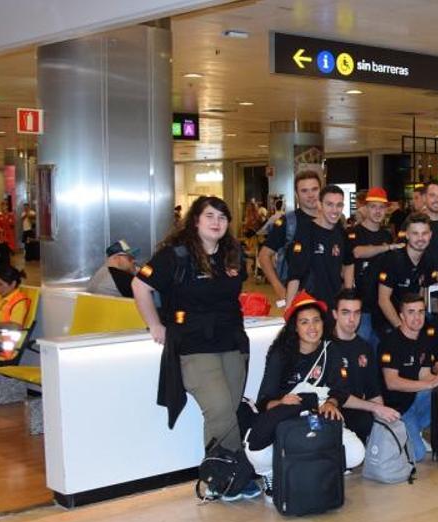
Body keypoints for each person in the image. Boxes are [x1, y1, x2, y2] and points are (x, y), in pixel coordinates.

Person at [131, 196, 252, 497]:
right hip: (195, 345)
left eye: (222, 217)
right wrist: (155, 325)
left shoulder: (233, 254)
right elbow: (140, 286)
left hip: (232, 341)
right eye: (209, 215)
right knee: (220, 408)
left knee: (226, 412)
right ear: (195, 220)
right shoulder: (176, 255)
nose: (216, 222)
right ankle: (237, 474)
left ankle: (218, 479)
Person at [245, 293, 366, 498]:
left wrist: (331, 403)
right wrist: (282, 402)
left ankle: (313, 470)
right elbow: (264, 400)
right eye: (304, 322)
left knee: (356, 454)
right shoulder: (280, 354)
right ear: (295, 327)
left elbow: (341, 389)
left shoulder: (331, 350)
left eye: (316, 320)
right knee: (254, 450)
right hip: (287, 417)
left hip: (317, 415)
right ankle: (271, 474)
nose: (312, 327)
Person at [379, 294, 438, 462]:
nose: (417, 317)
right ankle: (394, 432)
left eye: (421, 312)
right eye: (411, 312)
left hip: (414, 400)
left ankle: (412, 432)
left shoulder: (424, 339)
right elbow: (392, 383)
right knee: (418, 454)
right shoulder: (390, 342)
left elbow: (425, 374)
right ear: (402, 316)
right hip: (396, 407)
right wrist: (429, 384)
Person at [330, 289, 401, 443]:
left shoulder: (365, 348)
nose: (352, 319)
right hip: (331, 410)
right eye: (345, 313)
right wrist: (375, 408)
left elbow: (373, 391)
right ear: (335, 314)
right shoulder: (326, 346)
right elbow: (338, 394)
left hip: (359, 411)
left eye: (357, 313)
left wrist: (384, 416)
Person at [345, 188, 399, 351]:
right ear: (366, 208)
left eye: (381, 207)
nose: (377, 211)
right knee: (360, 352)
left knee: (380, 353)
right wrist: (386, 248)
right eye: (373, 207)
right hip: (362, 307)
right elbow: (357, 252)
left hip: (383, 306)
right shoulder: (353, 233)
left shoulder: (387, 235)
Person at [257, 170, 321, 306]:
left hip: (330, 298)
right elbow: (264, 256)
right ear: (297, 195)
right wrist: (279, 289)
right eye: (304, 191)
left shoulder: (332, 220)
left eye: (314, 189)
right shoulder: (288, 223)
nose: (310, 195)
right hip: (299, 299)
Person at [285, 184, 352, 307]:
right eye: (329, 204)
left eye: (339, 205)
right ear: (319, 205)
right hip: (310, 305)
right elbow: (295, 275)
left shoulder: (341, 233)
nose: (335, 210)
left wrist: (347, 296)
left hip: (334, 304)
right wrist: (288, 309)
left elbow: (349, 263)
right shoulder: (306, 233)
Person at [376, 213, 438, 337]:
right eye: (415, 233)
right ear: (407, 235)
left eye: (424, 233)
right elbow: (383, 300)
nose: (420, 238)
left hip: (411, 319)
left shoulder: (429, 260)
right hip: (388, 319)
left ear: (430, 235)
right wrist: (402, 330)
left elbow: (421, 294)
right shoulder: (393, 260)